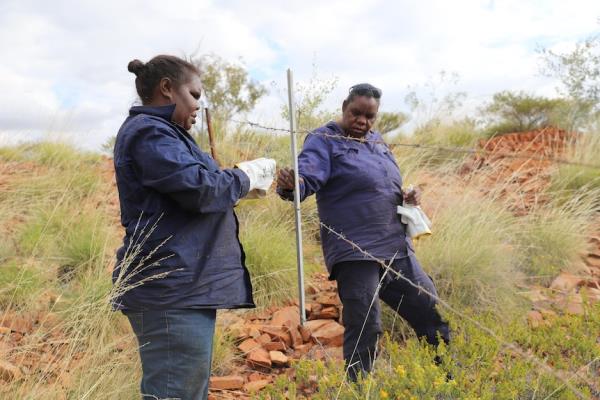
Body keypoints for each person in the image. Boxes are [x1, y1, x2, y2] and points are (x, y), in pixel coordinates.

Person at [112, 54, 274, 400]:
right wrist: (246, 176)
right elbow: (202, 191)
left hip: (181, 286)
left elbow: (196, 189)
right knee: (175, 393)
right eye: (195, 95)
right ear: (168, 89)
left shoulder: (166, 135)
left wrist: (236, 183)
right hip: (171, 288)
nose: (199, 106)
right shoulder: (150, 133)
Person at [277, 83, 450, 381]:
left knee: (428, 307)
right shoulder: (324, 139)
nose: (362, 121)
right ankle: (358, 387)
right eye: (356, 113)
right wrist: (294, 185)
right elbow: (308, 175)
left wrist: (407, 198)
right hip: (354, 250)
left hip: (395, 246)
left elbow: (383, 184)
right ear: (345, 106)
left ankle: (447, 377)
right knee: (365, 322)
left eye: (370, 116)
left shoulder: (378, 141)